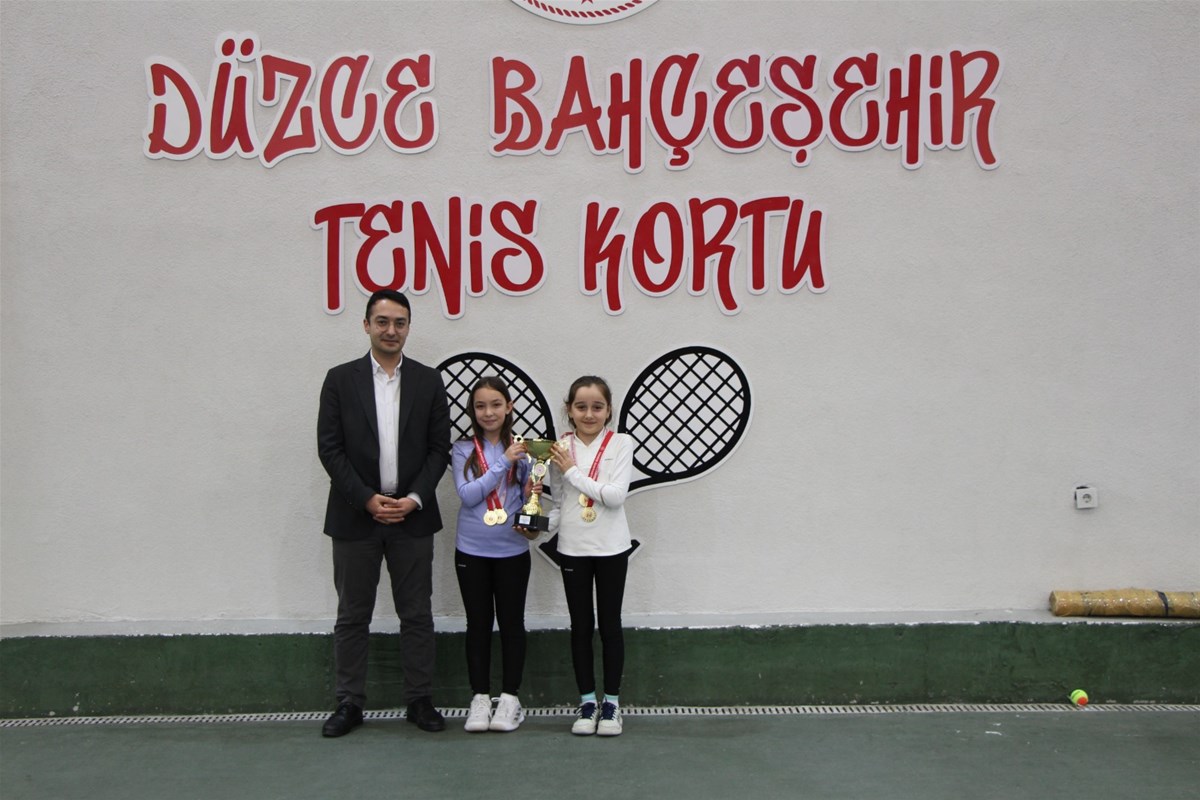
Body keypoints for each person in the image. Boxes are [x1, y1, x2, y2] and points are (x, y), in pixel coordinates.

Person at [316, 289, 451, 737]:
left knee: (417, 614)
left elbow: (439, 450)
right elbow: (330, 449)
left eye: (400, 322)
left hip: (413, 516)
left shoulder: (429, 381)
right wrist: (366, 499)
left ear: (409, 327)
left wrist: (413, 498)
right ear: (366, 325)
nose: (391, 330)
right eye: (382, 321)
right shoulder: (340, 380)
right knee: (353, 615)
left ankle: (419, 700)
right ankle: (349, 703)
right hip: (355, 516)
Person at [546, 376, 636, 737]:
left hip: (612, 547)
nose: (589, 414)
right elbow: (560, 501)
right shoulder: (559, 447)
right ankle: (587, 702)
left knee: (610, 625)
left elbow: (614, 496)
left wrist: (572, 470)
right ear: (569, 409)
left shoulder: (622, 443)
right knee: (580, 627)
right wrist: (536, 524)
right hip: (573, 548)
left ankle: (611, 704)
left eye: (597, 407)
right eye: (581, 407)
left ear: (608, 410)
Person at [451, 377, 536, 732]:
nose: (489, 412)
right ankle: (480, 698)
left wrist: (531, 492)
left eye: (496, 404)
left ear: (509, 407)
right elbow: (468, 495)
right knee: (478, 624)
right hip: (471, 550)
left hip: (512, 550)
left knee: (512, 624)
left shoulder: (524, 449)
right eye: (481, 406)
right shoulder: (461, 450)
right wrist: (502, 462)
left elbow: (529, 497)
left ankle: (510, 698)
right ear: (473, 411)